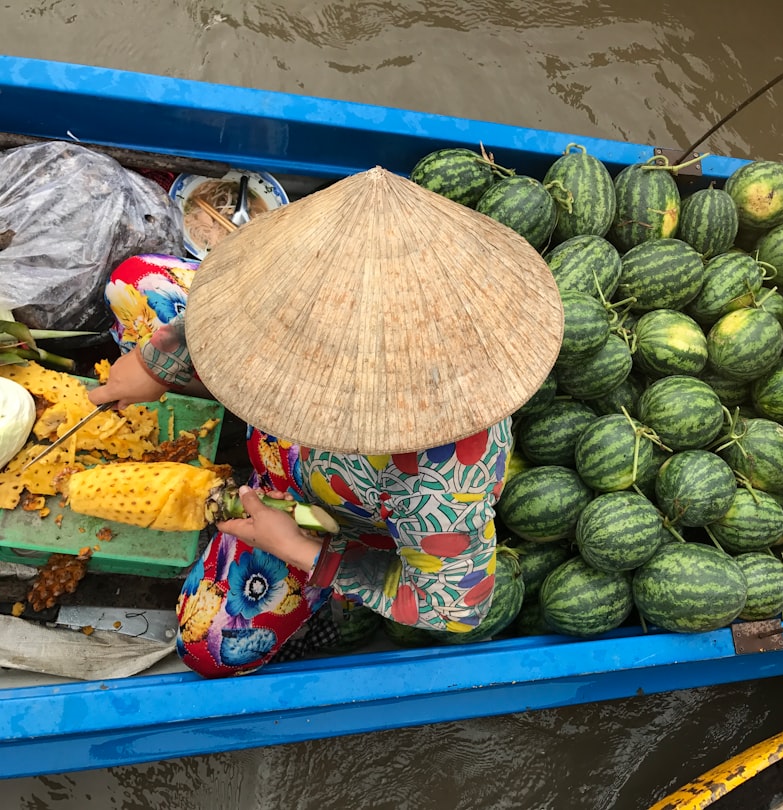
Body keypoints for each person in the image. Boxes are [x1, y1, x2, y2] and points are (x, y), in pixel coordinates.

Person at [89, 168, 564, 677]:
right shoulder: (301, 270)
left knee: (209, 645)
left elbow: (454, 606)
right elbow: (240, 302)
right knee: (134, 284)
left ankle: (318, 603)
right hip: (276, 441)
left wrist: (295, 546)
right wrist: (156, 363)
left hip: (314, 512)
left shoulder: (441, 479)